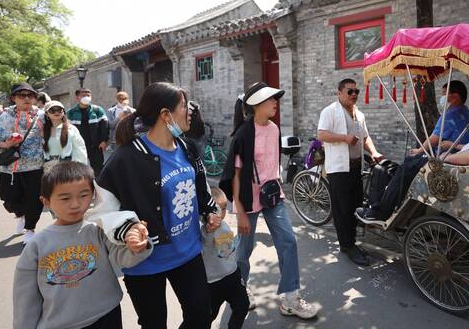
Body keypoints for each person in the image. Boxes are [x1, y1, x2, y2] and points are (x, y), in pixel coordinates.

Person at [86, 82, 221, 329]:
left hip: (188, 252)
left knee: (201, 315)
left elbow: (200, 188)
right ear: (165, 114)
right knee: (153, 323)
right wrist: (127, 230)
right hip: (146, 260)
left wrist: (210, 210)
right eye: (183, 105)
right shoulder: (127, 157)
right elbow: (101, 209)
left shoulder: (187, 147)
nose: (190, 110)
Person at [220, 82, 319, 319]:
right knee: (243, 250)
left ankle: (291, 298)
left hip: (272, 196)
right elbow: (234, 174)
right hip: (247, 200)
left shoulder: (274, 129)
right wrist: (241, 212)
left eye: (276, 99)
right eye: (271, 99)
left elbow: (272, 165)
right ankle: (240, 288)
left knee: (288, 241)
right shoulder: (243, 134)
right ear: (256, 105)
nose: (276, 103)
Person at [13, 162, 152, 329]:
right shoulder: (37, 246)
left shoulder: (99, 230)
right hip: (61, 324)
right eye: (65, 198)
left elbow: (122, 258)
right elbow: (26, 300)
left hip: (108, 315)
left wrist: (136, 245)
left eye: (83, 195)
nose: (75, 204)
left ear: (93, 195)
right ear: (46, 201)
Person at [317, 78, 382, 266]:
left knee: (355, 206)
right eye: (350, 91)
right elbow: (321, 134)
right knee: (342, 208)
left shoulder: (359, 114)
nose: (354, 95)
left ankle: (351, 241)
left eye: (356, 91)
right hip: (339, 168)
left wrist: (374, 152)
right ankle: (347, 246)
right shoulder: (330, 111)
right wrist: (344, 138)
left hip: (355, 167)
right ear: (339, 93)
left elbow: (365, 137)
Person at [0, 83, 45, 244]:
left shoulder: (42, 115)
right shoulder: (5, 116)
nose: (26, 98)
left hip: (35, 165)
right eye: (21, 95)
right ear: (13, 98)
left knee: (34, 198)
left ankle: (30, 228)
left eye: (30, 95)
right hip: (11, 166)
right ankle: (21, 215)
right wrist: (6, 144)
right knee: (8, 198)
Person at [202, 188, 249, 329]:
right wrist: (208, 230)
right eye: (215, 210)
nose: (221, 214)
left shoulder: (224, 224)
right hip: (213, 283)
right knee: (207, 316)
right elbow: (204, 238)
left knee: (243, 305)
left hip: (232, 275)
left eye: (223, 208)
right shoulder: (204, 229)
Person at [410, 80, 469, 156]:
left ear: (455, 96)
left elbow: (434, 139)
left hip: (453, 156)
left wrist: (419, 150)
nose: (442, 97)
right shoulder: (467, 112)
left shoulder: (449, 116)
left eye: (445, 93)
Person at [67, 88, 108, 177]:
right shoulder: (71, 113)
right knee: (79, 168)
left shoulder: (97, 110)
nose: (86, 97)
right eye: (83, 95)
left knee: (98, 168)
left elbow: (104, 126)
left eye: (88, 95)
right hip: (78, 146)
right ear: (77, 98)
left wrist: (104, 141)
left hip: (95, 145)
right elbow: (67, 129)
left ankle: (98, 186)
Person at [42, 100, 88, 173]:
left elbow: (80, 150)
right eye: (52, 110)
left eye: (59, 110)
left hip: (67, 167)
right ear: (47, 114)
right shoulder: (42, 130)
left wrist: (79, 169)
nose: (56, 112)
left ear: (63, 112)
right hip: (49, 168)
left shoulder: (71, 129)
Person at [106, 91, 135, 156]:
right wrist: (119, 117)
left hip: (129, 138)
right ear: (117, 99)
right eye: (120, 98)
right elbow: (111, 126)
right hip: (116, 140)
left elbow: (135, 125)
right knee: (117, 157)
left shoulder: (133, 111)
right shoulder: (111, 111)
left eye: (124, 98)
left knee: (129, 157)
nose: (122, 100)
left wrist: (130, 116)